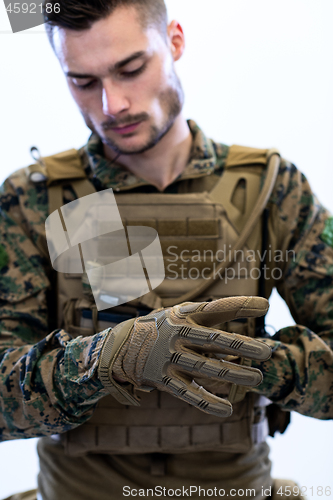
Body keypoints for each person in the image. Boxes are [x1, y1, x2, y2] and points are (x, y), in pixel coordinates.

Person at [1, 1, 333, 499]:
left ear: (175, 41)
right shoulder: (33, 199)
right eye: (83, 82)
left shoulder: (272, 189)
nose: (112, 105)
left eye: (131, 69)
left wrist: (253, 362)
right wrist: (103, 361)